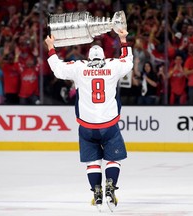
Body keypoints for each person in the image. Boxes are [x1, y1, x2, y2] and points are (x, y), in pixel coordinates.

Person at [45, 29, 133, 211]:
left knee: (92, 162)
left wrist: (51, 47)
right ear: (103, 55)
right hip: (109, 124)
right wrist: (123, 40)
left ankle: (96, 190)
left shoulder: (79, 67)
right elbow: (128, 62)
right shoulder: (113, 65)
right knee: (113, 159)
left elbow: (58, 70)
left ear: (88, 56)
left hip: (86, 126)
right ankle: (110, 186)